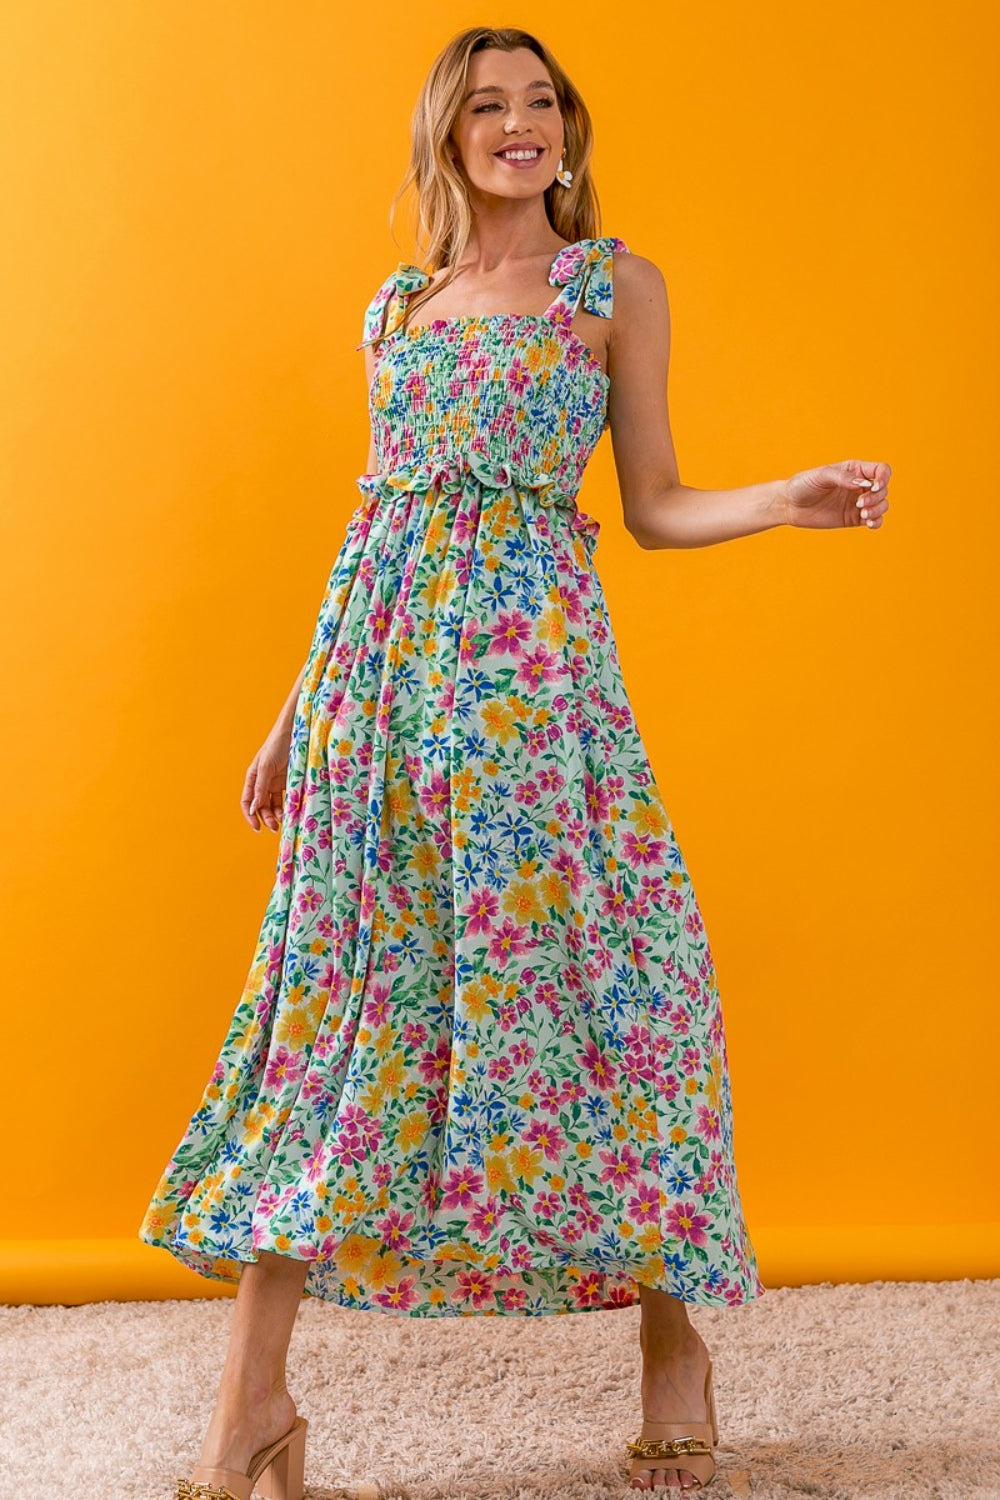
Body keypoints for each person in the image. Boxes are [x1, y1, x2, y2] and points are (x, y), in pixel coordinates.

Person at [142, 24, 892, 1499]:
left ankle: (672, 1342)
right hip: (378, 696)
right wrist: (297, 716)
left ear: (570, 128)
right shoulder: (398, 309)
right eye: (488, 105)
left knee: (622, 985)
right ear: (447, 133)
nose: (519, 125)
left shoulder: (612, 289)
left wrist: (784, 500)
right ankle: (252, 1410)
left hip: (535, 692)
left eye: (540, 102)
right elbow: (378, 529)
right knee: (340, 1010)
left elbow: (657, 502)